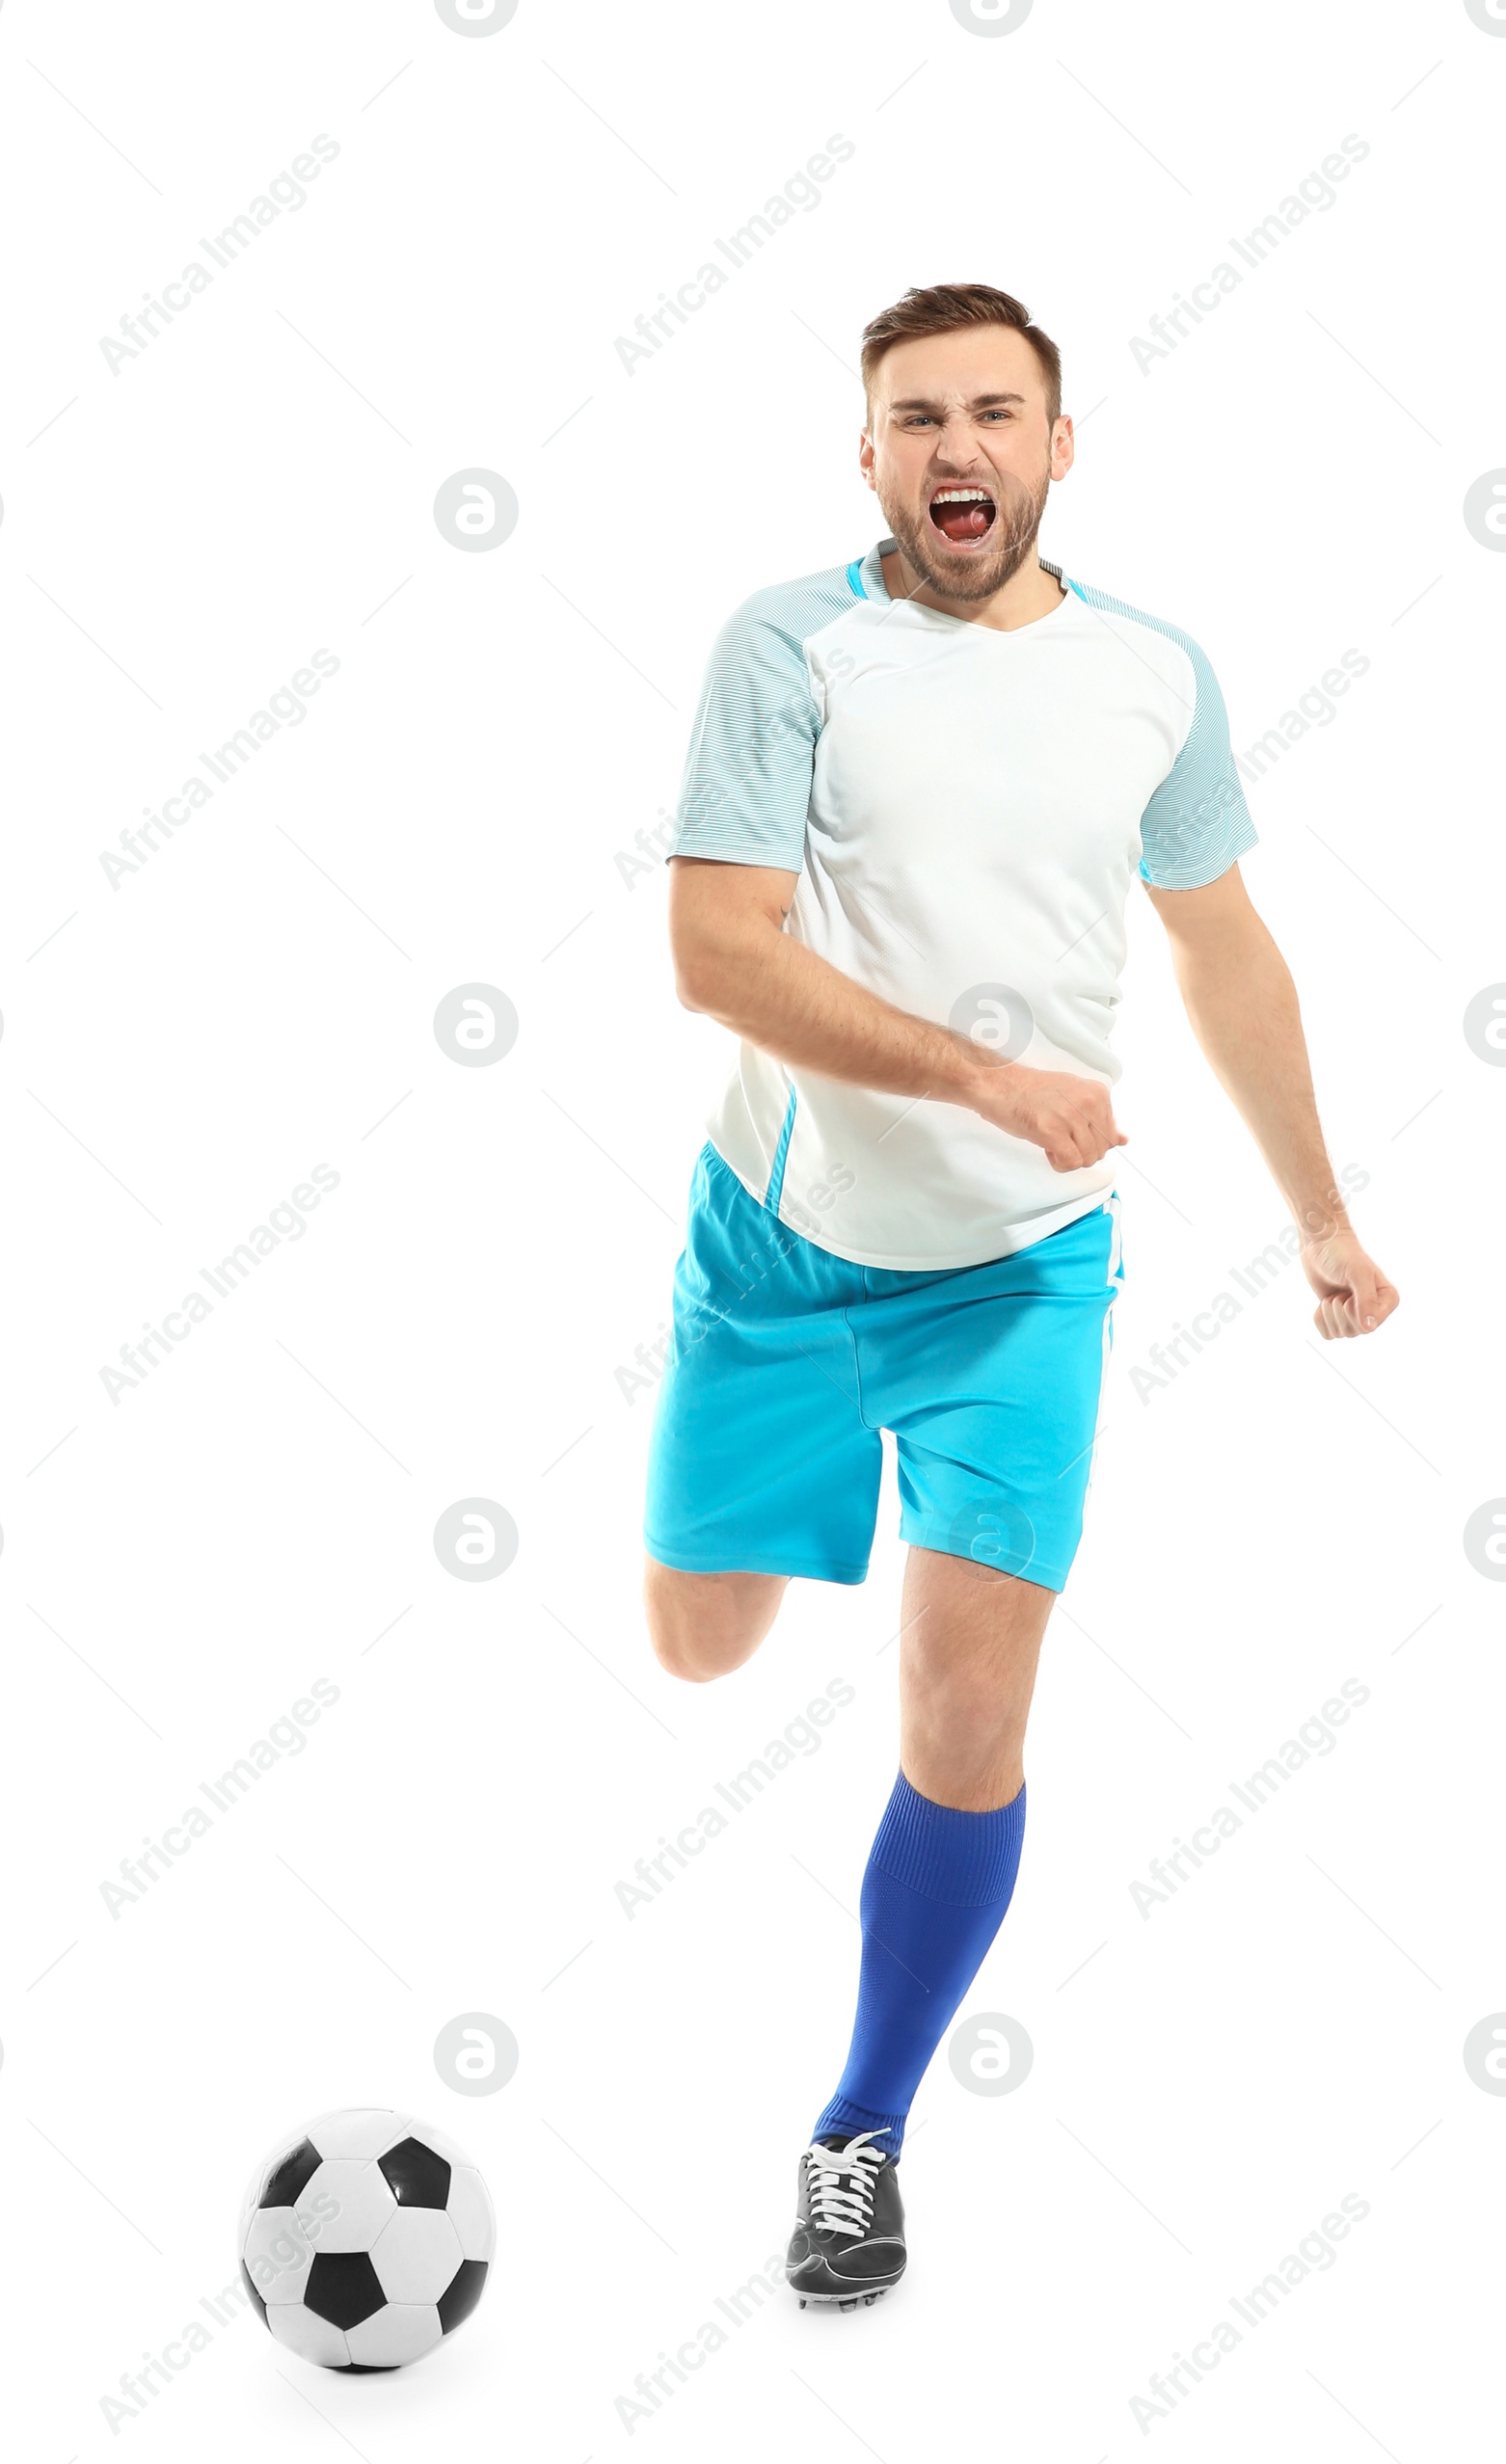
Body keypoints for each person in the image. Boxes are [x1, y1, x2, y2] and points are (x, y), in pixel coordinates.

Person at [640, 281, 1399, 2310]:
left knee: (964, 1709)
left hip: (1023, 1280)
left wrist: (1318, 1209)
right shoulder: (785, 647)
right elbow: (715, 955)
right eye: (910, 414)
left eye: (992, 409)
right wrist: (981, 1075)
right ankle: (768, 1502)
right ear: (866, 455)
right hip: (784, 1251)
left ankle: (857, 2127)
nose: (950, 443)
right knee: (698, 1648)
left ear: (1060, 448)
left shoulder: (1151, 671)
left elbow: (1222, 943)